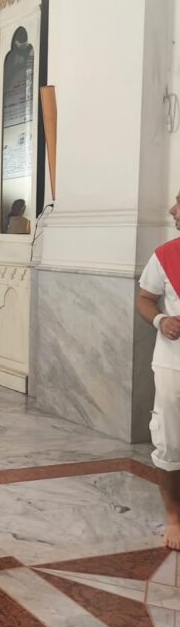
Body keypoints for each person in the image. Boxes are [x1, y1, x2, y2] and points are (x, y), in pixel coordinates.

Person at [136, 190, 180, 549]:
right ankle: (173, 517)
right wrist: (161, 320)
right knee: (170, 439)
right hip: (173, 363)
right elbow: (145, 299)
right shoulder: (166, 255)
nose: (172, 209)